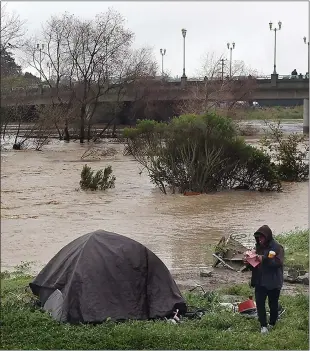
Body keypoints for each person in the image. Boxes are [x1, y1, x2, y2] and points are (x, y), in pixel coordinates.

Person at [244, 225, 284, 334]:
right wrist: (248, 263)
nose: (260, 240)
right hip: (260, 281)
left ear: (268, 237)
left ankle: (272, 323)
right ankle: (263, 325)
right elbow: (255, 265)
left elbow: (278, 262)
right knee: (260, 303)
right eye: (258, 238)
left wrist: (264, 259)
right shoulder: (257, 248)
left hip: (273, 281)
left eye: (262, 238)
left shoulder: (277, 247)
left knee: (273, 304)